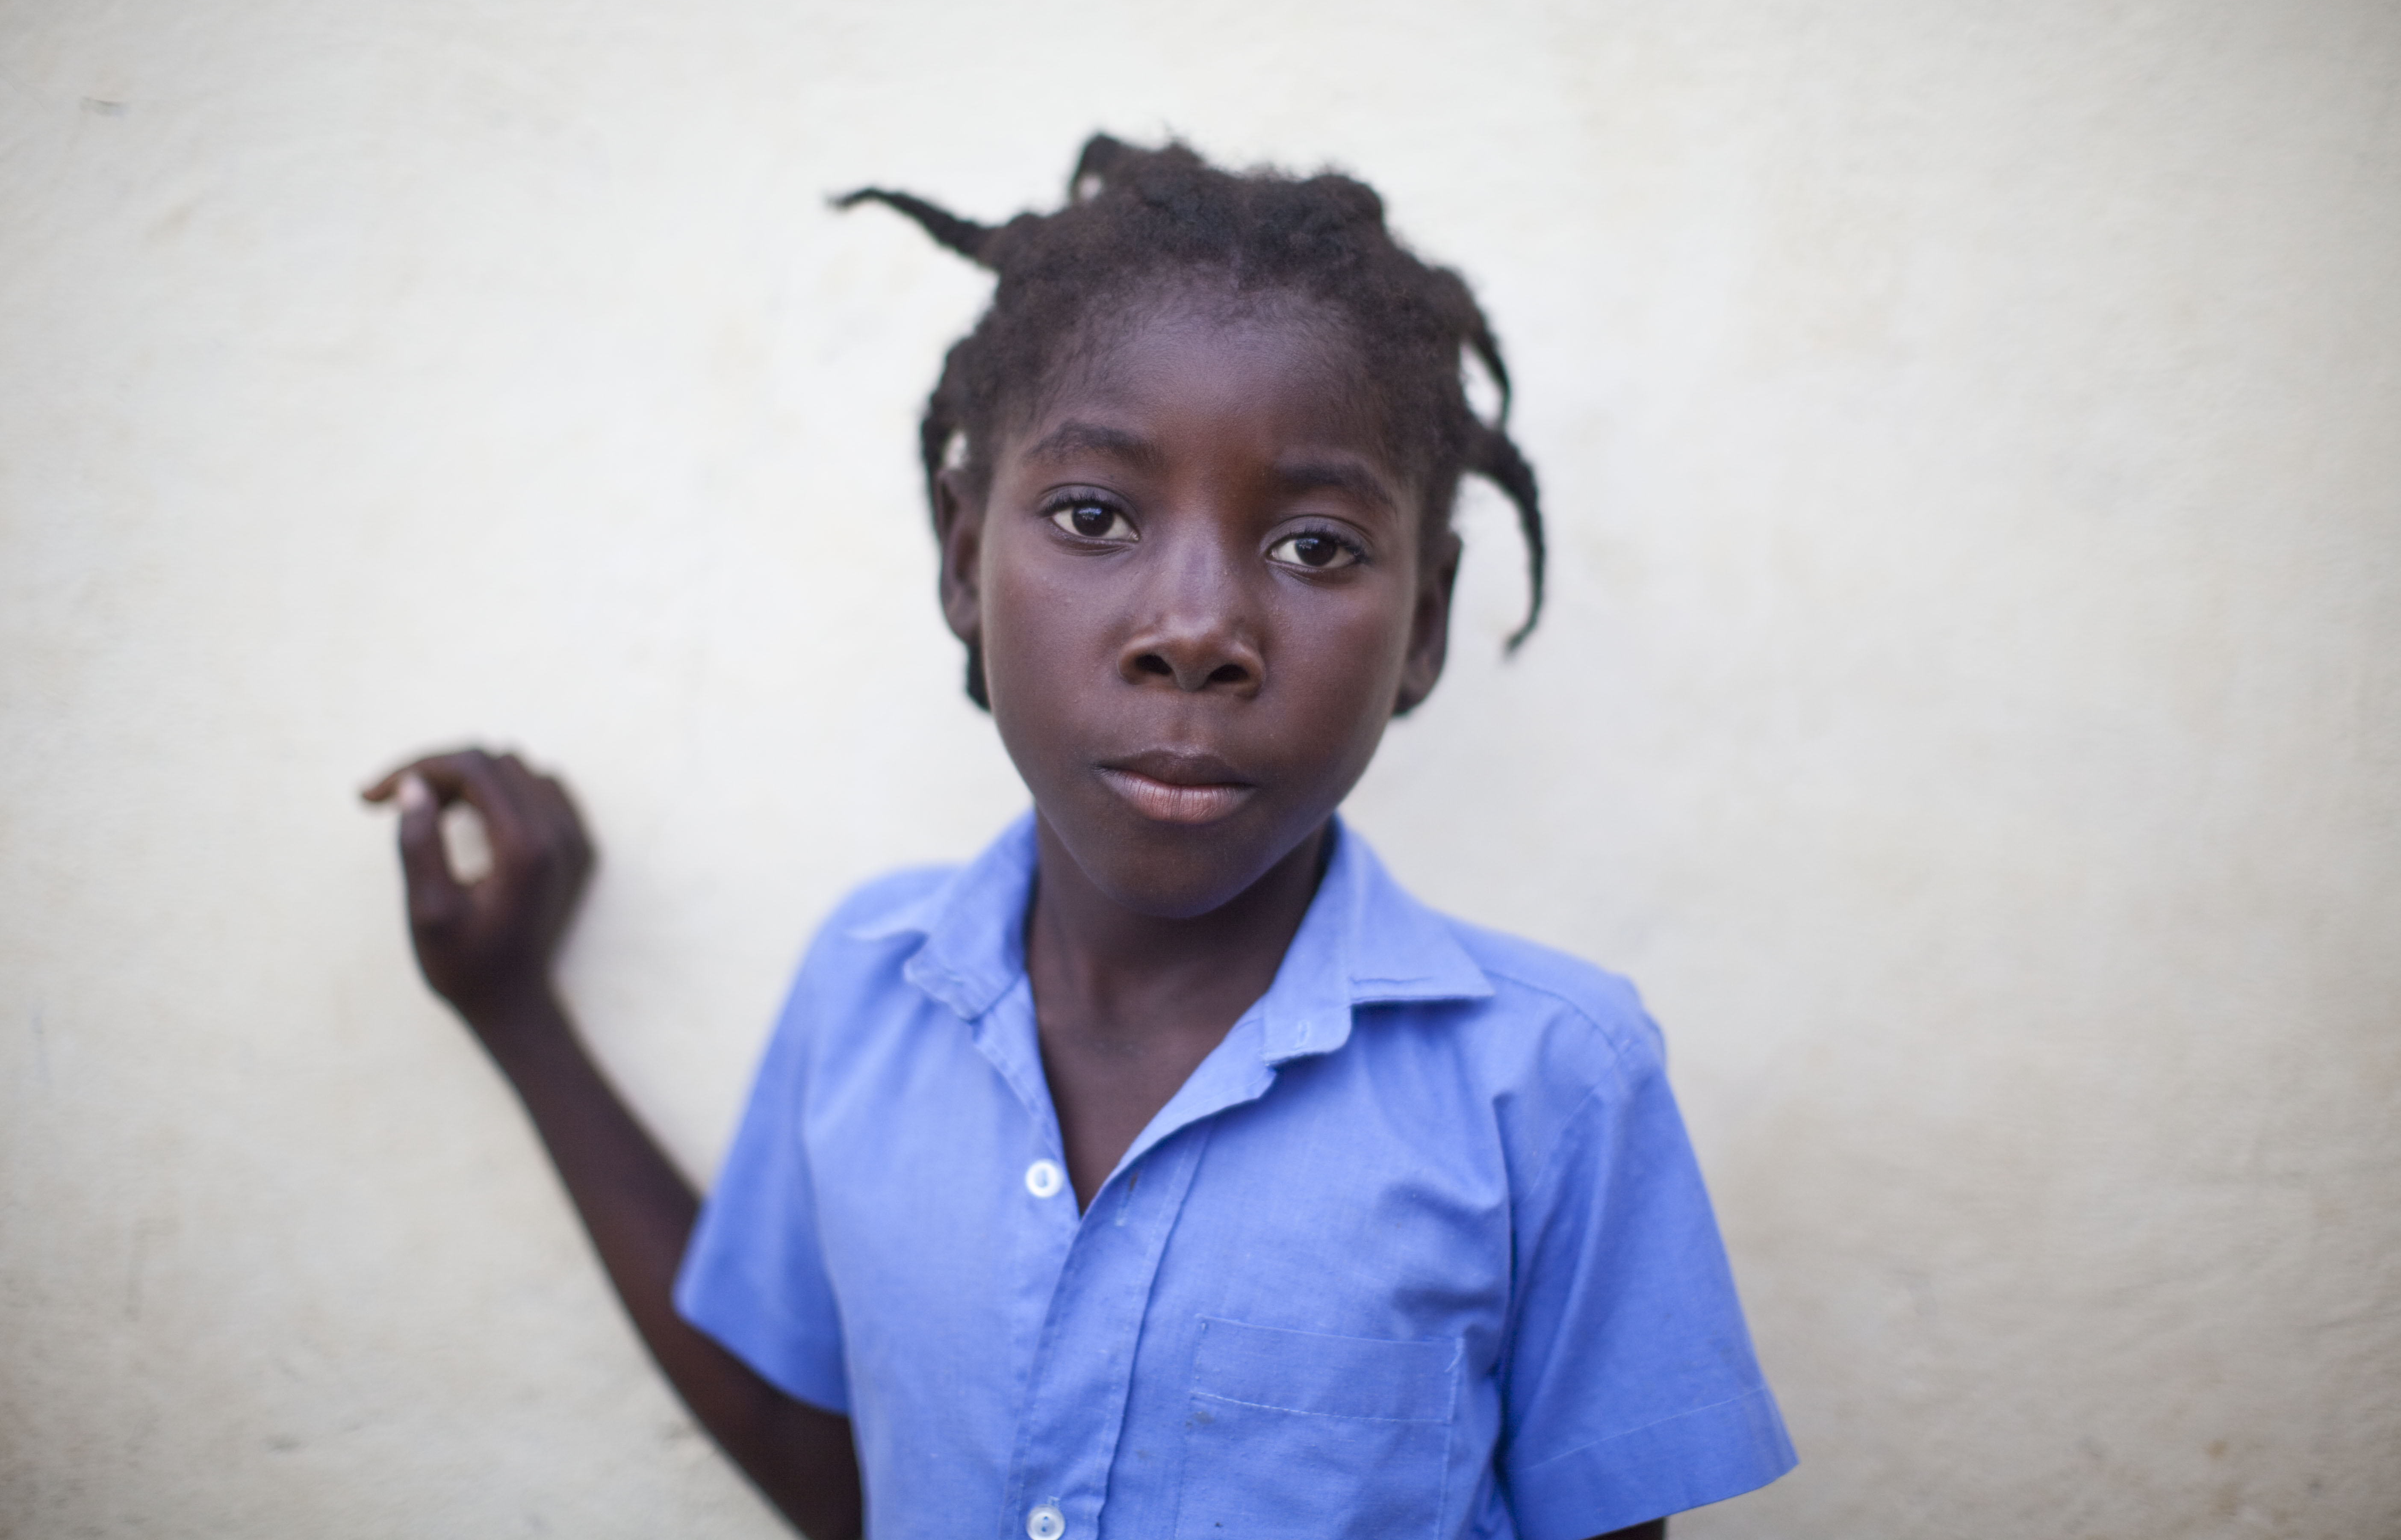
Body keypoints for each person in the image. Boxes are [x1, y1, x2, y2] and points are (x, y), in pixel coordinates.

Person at [364, 136, 1795, 1540]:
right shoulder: (867, 990)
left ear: (1422, 624)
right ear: (959, 555)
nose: (1197, 631)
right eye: (1096, 514)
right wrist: (519, 1021)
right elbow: (827, 1467)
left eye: (1315, 546)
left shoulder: (1553, 1086)